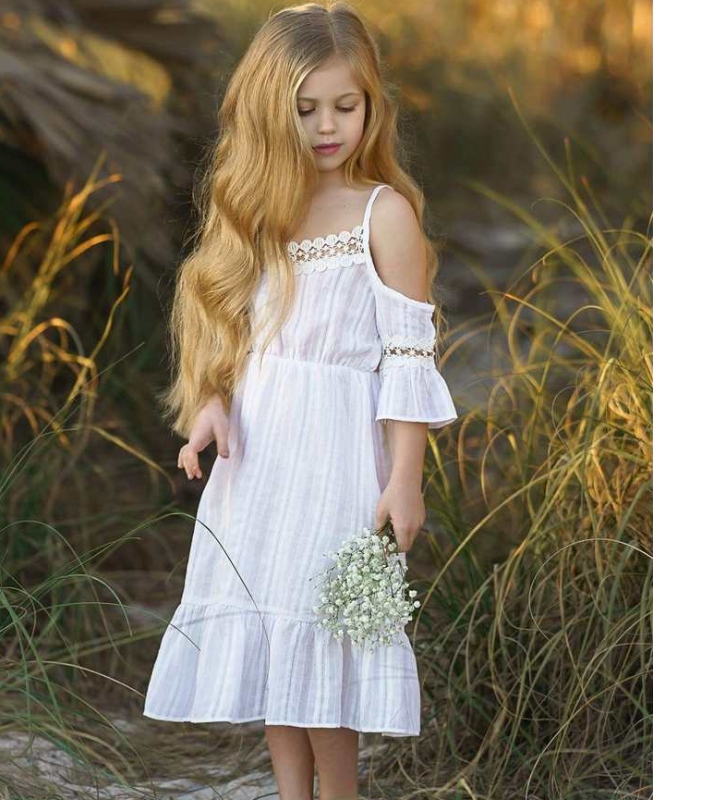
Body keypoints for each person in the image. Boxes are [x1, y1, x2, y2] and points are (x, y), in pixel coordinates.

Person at [142, 2, 458, 798]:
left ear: (371, 105)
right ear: (267, 109)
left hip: (337, 453)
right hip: (260, 456)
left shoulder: (383, 216)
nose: (326, 127)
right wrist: (210, 405)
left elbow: (409, 355)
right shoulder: (257, 209)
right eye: (305, 108)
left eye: (344, 107)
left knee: (325, 641)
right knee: (275, 634)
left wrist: (405, 477)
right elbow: (231, 324)